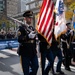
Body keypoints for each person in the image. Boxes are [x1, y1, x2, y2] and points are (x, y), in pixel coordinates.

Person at [17, 10, 39, 75]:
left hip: (32, 51)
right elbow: (19, 39)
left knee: (36, 66)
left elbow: (34, 40)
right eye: (29, 17)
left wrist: (35, 38)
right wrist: (28, 36)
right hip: (25, 52)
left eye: (31, 17)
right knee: (26, 71)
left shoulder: (32, 28)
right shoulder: (21, 28)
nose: (30, 19)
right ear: (25, 18)